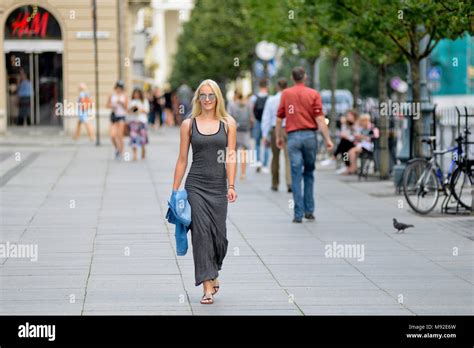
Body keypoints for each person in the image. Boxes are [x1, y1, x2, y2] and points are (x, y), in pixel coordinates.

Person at [172, 79, 237, 305]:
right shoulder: (188, 125)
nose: (207, 100)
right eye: (203, 96)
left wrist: (231, 185)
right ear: (198, 98)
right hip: (195, 186)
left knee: (219, 237)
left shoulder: (228, 123)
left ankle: (213, 270)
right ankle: (207, 286)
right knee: (200, 234)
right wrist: (174, 190)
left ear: (218, 97)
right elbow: (182, 159)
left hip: (218, 187)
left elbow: (230, 156)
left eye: (211, 95)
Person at [276, 67, 333, 223]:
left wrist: (278, 137)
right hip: (309, 137)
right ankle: (309, 210)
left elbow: (280, 118)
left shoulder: (286, 94)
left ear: (292, 77)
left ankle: (298, 214)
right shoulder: (313, 94)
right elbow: (320, 118)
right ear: (305, 77)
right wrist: (327, 139)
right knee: (309, 172)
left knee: (296, 175)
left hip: (293, 136)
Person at [261, 78, 292, 192]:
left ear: (277, 87)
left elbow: (266, 118)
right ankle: (289, 183)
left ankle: (275, 183)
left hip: (276, 130)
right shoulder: (290, 99)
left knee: (275, 157)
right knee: (288, 157)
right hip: (289, 129)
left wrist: (264, 134)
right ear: (287, 86)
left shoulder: (271, 100)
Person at [320, 109, 359, 174]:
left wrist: (347, 136)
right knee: (344, 147)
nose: (348, 117)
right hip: (347, 143)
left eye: (349, 115)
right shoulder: (346, 123)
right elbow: (343, 132)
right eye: (348, 115)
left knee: (343, 143)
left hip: (355, 143)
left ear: (353, 116)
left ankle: (334, 158)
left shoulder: (356, 124)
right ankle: (347, 166)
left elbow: (356, 136)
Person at [227, 91, 252, 180]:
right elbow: (251, 117)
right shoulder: (248, 105)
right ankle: (243, 173)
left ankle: (234, 173)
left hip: (235, 131)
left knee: (234, 153)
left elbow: (228, 117)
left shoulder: (232, 105)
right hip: (245, 131)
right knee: (243, 153)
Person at [250, 79, 270, 173]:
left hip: (257, 121)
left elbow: (251, 109)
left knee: (257, 142)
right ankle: (265, 165)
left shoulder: (254, 97)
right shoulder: (269, 98)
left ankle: (258, 161)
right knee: (266, 143)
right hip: (266, 122)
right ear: (267, 86)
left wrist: (253, 119)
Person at [107, 80, 128, 160]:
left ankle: (121, 152)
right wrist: (112, 106)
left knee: (120, 136)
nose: (119, 89)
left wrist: (121, 103)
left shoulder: (124, 96)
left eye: (120, 88)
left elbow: (126, 108)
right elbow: (107, 105)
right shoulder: (112, 95)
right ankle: (117, 149)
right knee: (112, 135)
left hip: (121, 116)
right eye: (118, 87)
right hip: (113, 116)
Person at [127, 88, 149, 161]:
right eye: (135, 93)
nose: (136, 95)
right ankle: (135, 154)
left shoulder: (144, 101)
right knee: (133, 138)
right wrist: (133, 109)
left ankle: (143, 150)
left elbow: (147, 111)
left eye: (137, 93)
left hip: (142, 121)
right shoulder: (131, 102)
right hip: (133, 121)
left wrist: (140, 109)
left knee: (142, 138)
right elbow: (128, 111)